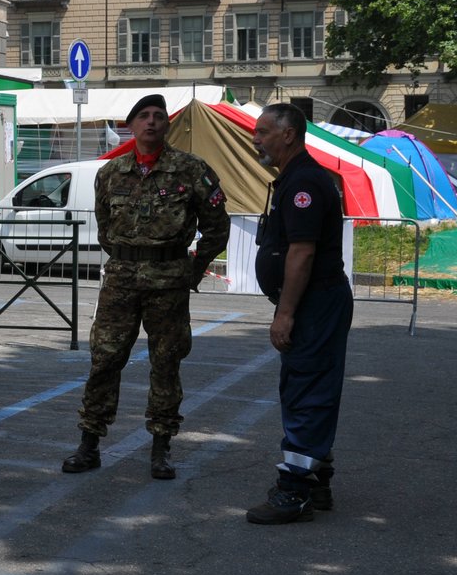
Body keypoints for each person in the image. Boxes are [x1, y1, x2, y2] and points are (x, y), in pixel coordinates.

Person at [61, 93, 230, 480]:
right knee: (104, 360)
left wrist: (194, 268)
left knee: (166, 363)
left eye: (158, 116)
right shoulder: (111, 172)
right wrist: (126, 255)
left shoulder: (191, 170)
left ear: (166, 125)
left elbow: (217, 226)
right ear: (131, 125)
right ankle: (89, 444)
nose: (151, 122)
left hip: (169, 282)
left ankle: (161, 448)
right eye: (143, 117)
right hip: (121, 280)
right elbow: (105, 225)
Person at [247, 102, 353, 524]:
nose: (256, 138)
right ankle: (317, 480)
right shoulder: (292, 178)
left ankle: (294, 492)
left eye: (262, 131)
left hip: (315, 302)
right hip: (315, 301)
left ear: (288, 134)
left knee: (306, 392)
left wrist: (285, 313)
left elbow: (302, 253)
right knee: (310, 386)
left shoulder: (304, 181)